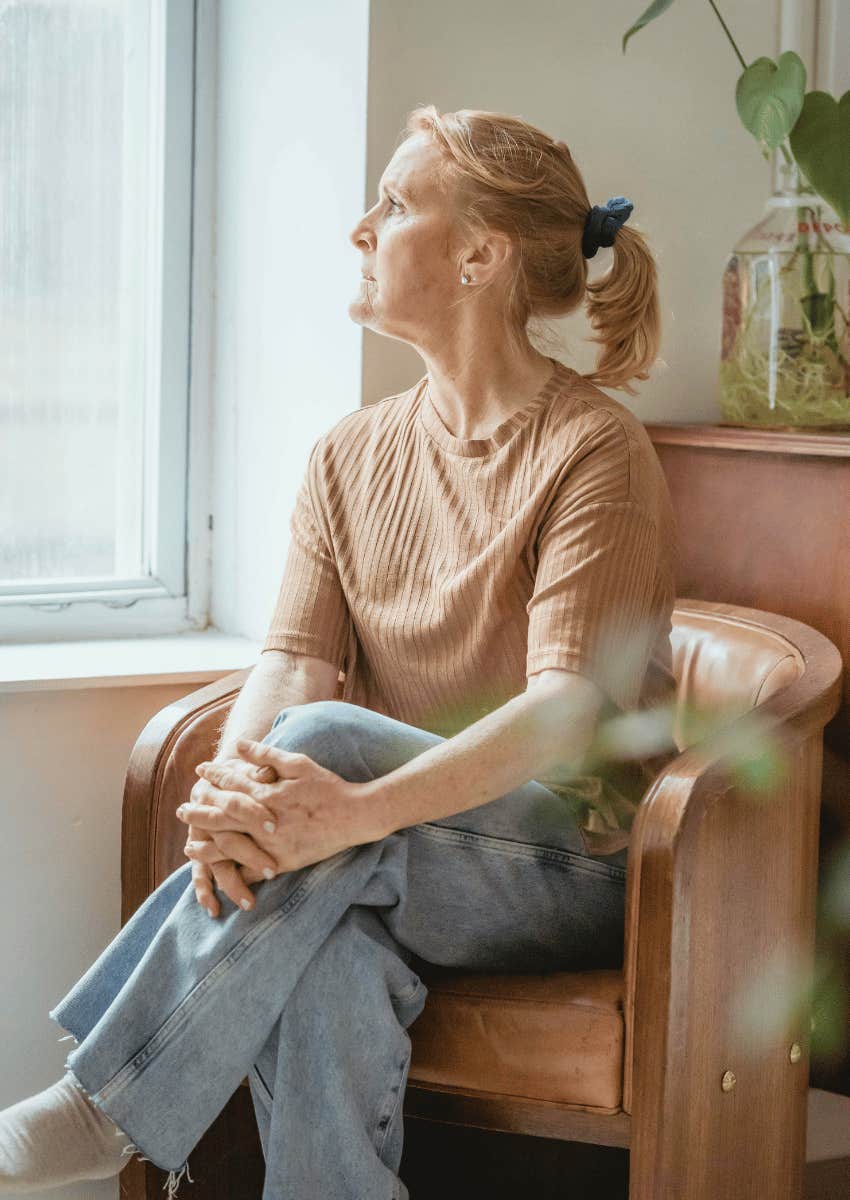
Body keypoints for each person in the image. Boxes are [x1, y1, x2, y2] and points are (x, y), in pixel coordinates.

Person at [0, 105, 678, 1199]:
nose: (360, 228)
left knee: (321, 760)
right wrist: (233, 789)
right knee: (325, 954)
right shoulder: (348, 453)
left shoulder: (594, 450)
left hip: (579, 863)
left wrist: (346, 809)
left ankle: (102, 1104)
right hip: (390, 854)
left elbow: (567, 714)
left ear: (478, 256)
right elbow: (290, 666)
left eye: (395, 202)